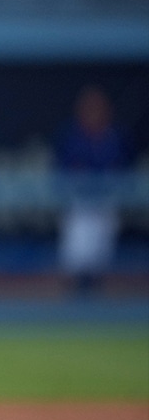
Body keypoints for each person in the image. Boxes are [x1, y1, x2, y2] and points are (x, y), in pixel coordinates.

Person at [56, 84, 130, 297]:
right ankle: (72, 305)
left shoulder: (114, 137)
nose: (94, 113)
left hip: (106, 202)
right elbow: (62, 169)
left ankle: (96, 304)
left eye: (98, 108)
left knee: (100, 257)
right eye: (89, 108)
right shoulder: (72, 137)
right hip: (79, 204)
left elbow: (124, 168)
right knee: (76, 254)